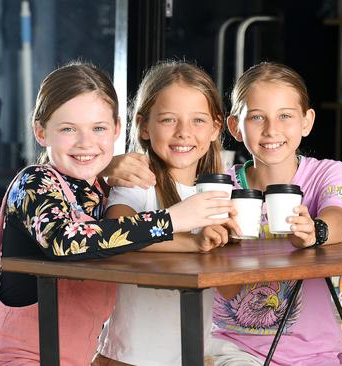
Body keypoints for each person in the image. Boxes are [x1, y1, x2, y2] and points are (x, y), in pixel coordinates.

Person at [0, 61, 234, 366]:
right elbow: (68, 240)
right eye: (68, 129)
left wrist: (194, 242)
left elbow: (115, 237)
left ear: (116, 129)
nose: (85, 142)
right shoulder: (34, 182)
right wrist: (174, 219)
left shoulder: (97, 192)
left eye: (98, 128)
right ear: (40, 131)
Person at [207, 62, 342, 366]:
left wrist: (314, 231)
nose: (271, 129)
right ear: (235, 127)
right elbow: (224, 287)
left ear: (306, 122)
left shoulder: (329, 173)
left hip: (319, 352)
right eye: (256, 117)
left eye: (285, 116)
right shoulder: (219, 184)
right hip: (237, 348)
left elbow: (338, 221)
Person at [94, 61, 238, 366]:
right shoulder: (139, 182)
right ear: (145, 126)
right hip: (130, 357)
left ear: (216, 127)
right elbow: (117, 232)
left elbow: (230, 289)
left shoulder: (220, 193)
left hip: (193, 355)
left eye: (198, 121)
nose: (184, 133)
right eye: (169, 120)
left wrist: (234, 245)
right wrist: (194, 242)